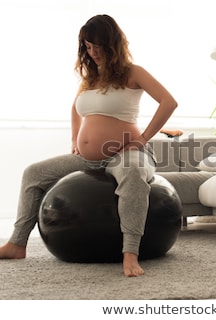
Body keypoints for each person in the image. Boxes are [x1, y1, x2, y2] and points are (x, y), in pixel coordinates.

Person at [0, 14, 178, 277]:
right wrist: (75, 139)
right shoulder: (90, 77)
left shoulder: (133, 73)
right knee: (33, 173)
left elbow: (168, 101)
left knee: (132, 174)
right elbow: (76, 108)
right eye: (87, 46)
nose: (92, 52)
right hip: (87, 159)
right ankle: (17, 244)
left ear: (112, 44)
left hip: (125, 153)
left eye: (98, 46)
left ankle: (130, 254)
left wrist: (143, 139)